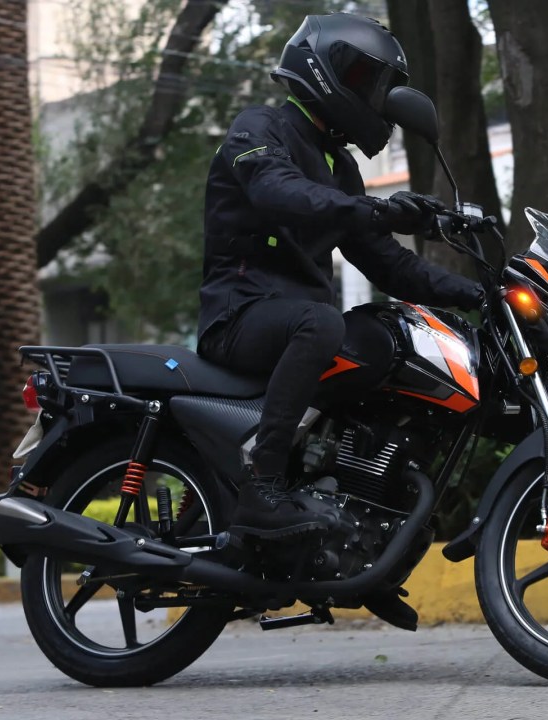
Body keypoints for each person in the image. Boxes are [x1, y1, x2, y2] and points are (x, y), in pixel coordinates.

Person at [197, 13, 480, 579]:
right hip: (240, 314)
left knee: (383, 340)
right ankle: (262, 483)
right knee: (323, 323)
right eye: (366, 81)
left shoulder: (339, 165)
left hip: (292, 320)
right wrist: (377, 208)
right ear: (325, 72)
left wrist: (481, 292)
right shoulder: (260, 128)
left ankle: (350, 511)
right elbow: (280, 193)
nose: (374, 98)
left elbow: (387, 263)